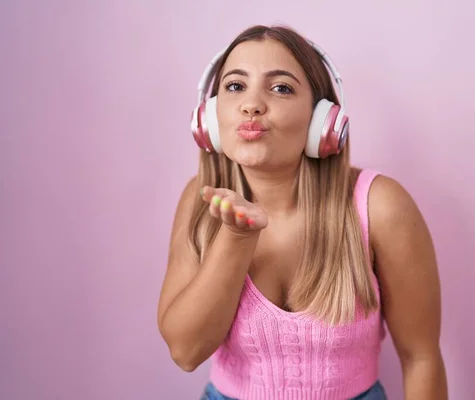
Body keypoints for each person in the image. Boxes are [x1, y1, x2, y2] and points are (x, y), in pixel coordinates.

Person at [157, 24, 448, 400]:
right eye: (235, 86)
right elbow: (185, 351)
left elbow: (421, 357)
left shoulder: (380, 206)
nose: (252, 104)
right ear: (209, 118)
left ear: (322, 121)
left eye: (280, 88)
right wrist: (236, 236)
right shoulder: (199, 202)